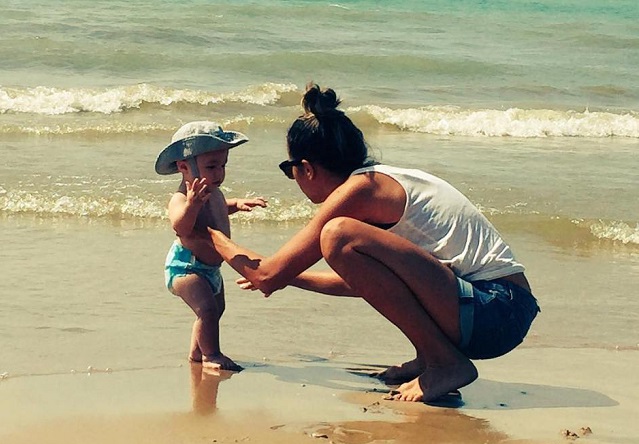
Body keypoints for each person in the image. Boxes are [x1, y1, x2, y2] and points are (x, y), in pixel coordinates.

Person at [183, 84, 539, 402]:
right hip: (494, 313)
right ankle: (431, 356)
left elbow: (268, 276)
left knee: (336, 235)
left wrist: (210, 233)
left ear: (306, 168)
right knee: (339, 239)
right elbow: (373, 284)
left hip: (495, 310)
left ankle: (445, 362)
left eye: (288, 169)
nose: (293, 178)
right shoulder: (379, 185)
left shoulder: (362, 190)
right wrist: (290, 275)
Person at [155, 121, 267, 372]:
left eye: (223, 165)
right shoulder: (181, 198)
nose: (219, 173)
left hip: (210, 269)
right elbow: (180, 226)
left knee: (216, 309)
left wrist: (236, 204)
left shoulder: (213, 191)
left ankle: (197, 353)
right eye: (211, 166)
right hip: (186, 266)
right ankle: (211, 354)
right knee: (205, 309)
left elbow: (217, 208)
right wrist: (192, 205)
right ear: (184, 167)